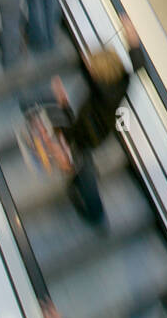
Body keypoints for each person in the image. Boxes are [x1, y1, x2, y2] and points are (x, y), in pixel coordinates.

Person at [51, 14, 145, 226]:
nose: (89, 67)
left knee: (83, 169)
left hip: (87, 135)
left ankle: (95, 213)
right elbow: (138, 63)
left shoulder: (99, 89)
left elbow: (75, 129)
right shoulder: (123, 80)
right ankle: (81, 180)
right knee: (82, 162)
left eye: (93, 68)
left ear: (98, 77)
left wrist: (63, 104)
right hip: (103, 131)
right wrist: (132, 37)